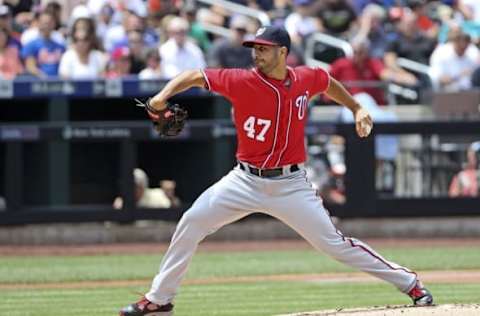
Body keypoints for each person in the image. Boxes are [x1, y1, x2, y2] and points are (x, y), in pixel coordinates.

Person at [119, 26, 433, 316]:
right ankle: (160, 299)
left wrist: (356, 107)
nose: (256, 54)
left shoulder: (305, 77)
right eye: (254, 48)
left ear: (283, 52)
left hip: (291, 184)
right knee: (191, 221)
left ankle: (409, 283)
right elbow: (194, 75)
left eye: (264, 49)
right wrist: (161, 98)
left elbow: (326, 82)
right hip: (244, 180)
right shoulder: (242, 80)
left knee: (334, 244)